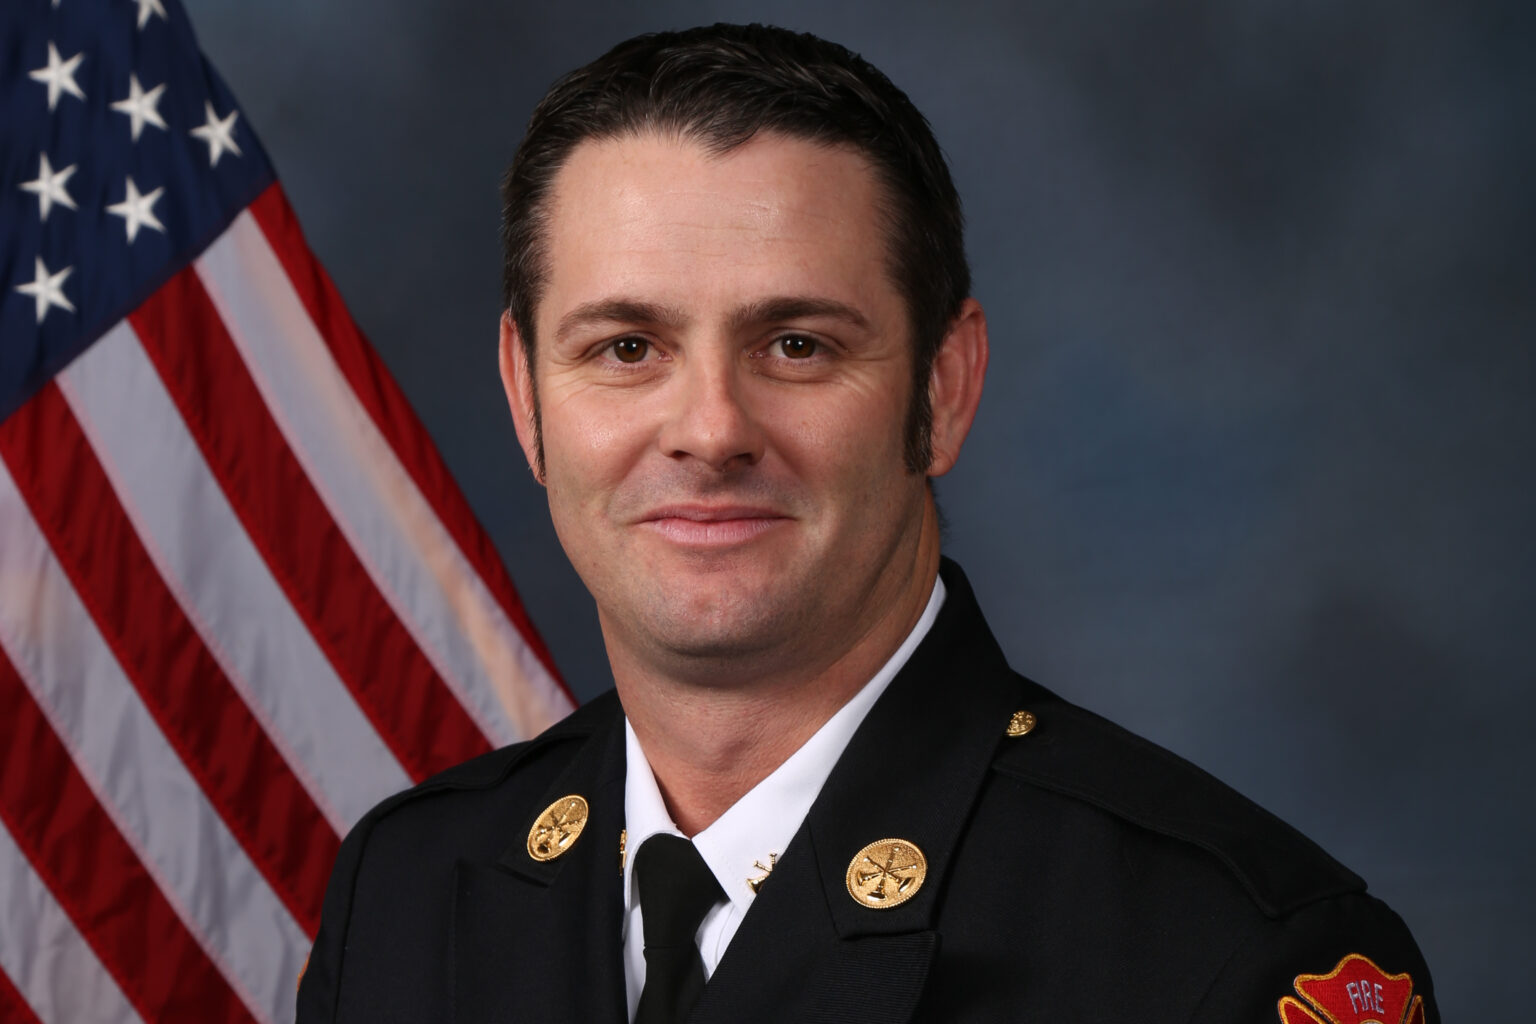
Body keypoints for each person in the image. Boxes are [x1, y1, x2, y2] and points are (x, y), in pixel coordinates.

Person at [296, 23, 1436, 1024]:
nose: (710, 430)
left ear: (944, 388)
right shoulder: (408, 893)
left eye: (798, 345)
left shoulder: (1221, 955)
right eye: (626, 348)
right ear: (525, 395)